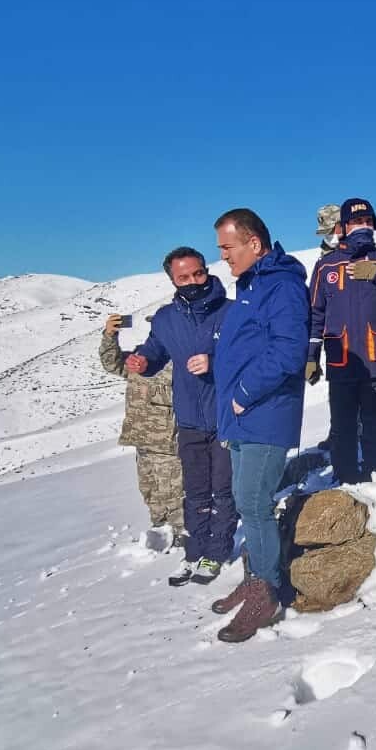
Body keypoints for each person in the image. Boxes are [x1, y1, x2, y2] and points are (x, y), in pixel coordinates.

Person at [206, 210, 310, 643]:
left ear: (254, 244)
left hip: (265, 413)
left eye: (228, 248)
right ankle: (256, 580)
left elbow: (289, 351)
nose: (223, 257)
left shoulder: (281, 286)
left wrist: (244, 390)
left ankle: (265, 593)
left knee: (254, 500)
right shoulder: (250, 285)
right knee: (245, 500)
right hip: (244, 415)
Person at [123, 247, 236, 585]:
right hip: (187, 418)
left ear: (206, 270)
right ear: (172, 279)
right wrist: (142, 360)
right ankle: (194, 553)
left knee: (223, 490)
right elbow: (156, 349)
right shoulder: (165, 318)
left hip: (225, 417)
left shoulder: (231, 312)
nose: (192, 282)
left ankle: (217, 553)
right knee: (196, 490)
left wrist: (215, 363)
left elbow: (250, 357)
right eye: (183, 277)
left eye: (197, 274)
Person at [306, 198, 376, 484]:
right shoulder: (326, 266)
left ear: (373, 224)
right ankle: (346, 479)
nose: (361, 227)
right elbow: (315, 315)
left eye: (366, 221)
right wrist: (311, 357)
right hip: (341, 360)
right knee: (343, 426)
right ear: (343, 227)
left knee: (375, 425)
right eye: (355, 222)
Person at [99, 312, 184, 548]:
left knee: (173, 493)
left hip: (167, 443)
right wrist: (109, 335)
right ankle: (159, 532)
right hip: (142, 440)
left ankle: (181, 537)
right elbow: (112, 363)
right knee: (149, 490)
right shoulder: (141, 357)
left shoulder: (180, 362)